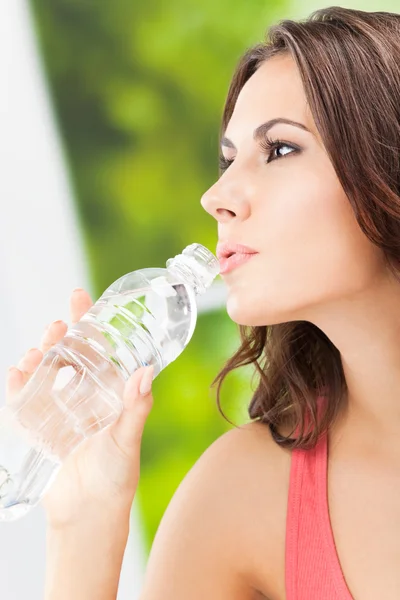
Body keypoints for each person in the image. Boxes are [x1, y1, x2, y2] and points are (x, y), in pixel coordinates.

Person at [7, 5, 400, 599]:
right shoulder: (241, 495)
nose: (217, 196)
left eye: (281, 150)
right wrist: (84, 519)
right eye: (227, 159)